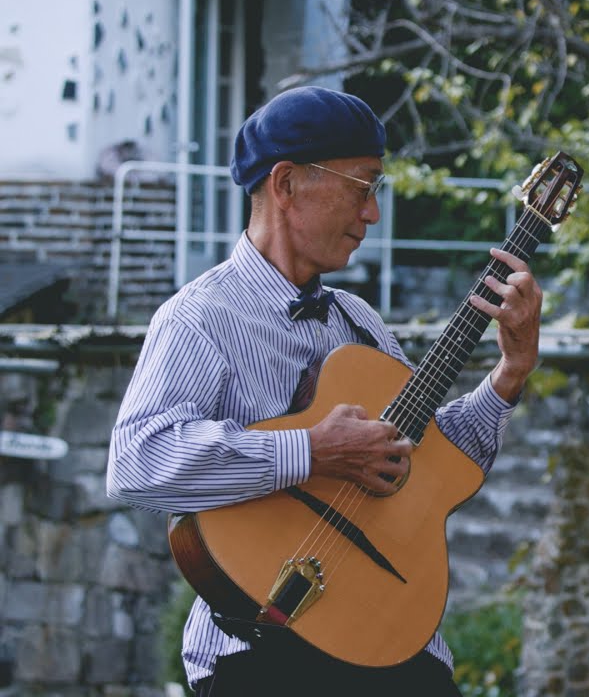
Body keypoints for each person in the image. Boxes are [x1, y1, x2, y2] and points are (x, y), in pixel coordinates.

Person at [106, 86, 543, 695]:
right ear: (286, 185)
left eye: (376, 191)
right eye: (363, 187)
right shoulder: (198, 319)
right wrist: (311, 451)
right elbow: (137, 461)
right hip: (254, 652)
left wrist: (509, 374)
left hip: (391, 639)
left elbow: (427, 460)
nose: (373, 214)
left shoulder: (359, 319)